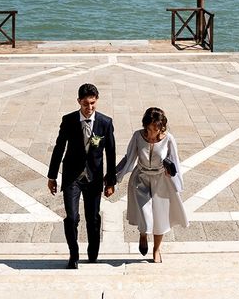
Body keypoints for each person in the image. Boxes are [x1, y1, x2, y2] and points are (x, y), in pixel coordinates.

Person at [47, 83, 116, 269]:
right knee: (72, 217)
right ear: (79, 102)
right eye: (86, 104)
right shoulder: (68, 120)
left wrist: (110, 181)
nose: (89, 108)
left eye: (93, 103)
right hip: (72, 177)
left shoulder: (105, 122)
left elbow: (110, 152)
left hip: (94, 178)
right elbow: (59, 148)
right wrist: (52, 176)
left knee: (92, 217)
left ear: (97, 101)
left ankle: (93, 253)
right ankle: (73, 254)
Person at [116, 107, 188, 263]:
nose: (151, 134)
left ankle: (156, 249)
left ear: (161, 127)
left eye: (155, 129)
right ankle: (143, 234)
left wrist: (175, 179)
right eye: (149, 129)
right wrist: (114, 176)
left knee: (160, 217)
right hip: (141, 178)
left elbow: (174, 161)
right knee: (144, 212)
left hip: (161, 180)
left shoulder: (168, 139)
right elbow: (129, 158)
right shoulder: (138, 136)